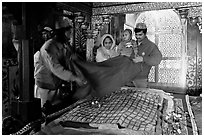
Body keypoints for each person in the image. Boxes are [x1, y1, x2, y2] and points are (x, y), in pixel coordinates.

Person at [34, 22, 84, 107]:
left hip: (55, 83)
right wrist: (74, 78)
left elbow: (71, 58)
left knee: (54, 107)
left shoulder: (64, 45)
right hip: (44, 85)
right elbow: (56, 68)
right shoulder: (49, 47)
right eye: (69, 33)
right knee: (44, 110)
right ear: (63, 32)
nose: (71, 35)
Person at [129, 22, 162, 88]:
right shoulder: (132, 44)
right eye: (136, 35)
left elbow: (157, 60)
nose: (137, 37)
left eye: (140, 35)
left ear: (145, 34)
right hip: (128, 78)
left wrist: (143, 59)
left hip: (141, 80)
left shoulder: (151, 46)